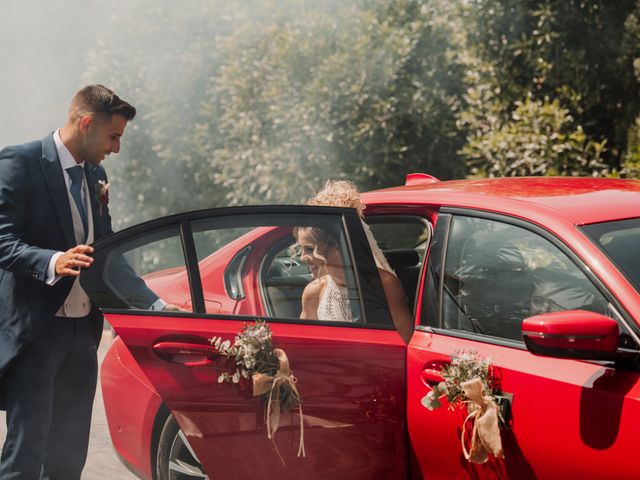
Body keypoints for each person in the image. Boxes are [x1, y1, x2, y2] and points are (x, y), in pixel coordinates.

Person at [0, 85, 164, 479]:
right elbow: (3, 240)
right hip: (35, 331)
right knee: (26, 453)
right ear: (86, 123)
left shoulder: (96, 174)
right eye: (113, 136)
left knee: (70, 453)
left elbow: (105, 253)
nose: (116, 149)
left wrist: (156, 306)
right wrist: (54, 260)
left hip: (82, 332)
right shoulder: (19, 162)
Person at [296, 180, 414, 344]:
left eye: (309, 249)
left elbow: (405, 343)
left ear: (337, 247)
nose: (302, 257)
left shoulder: (385, 285)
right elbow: (304, 347)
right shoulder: (313, 293)